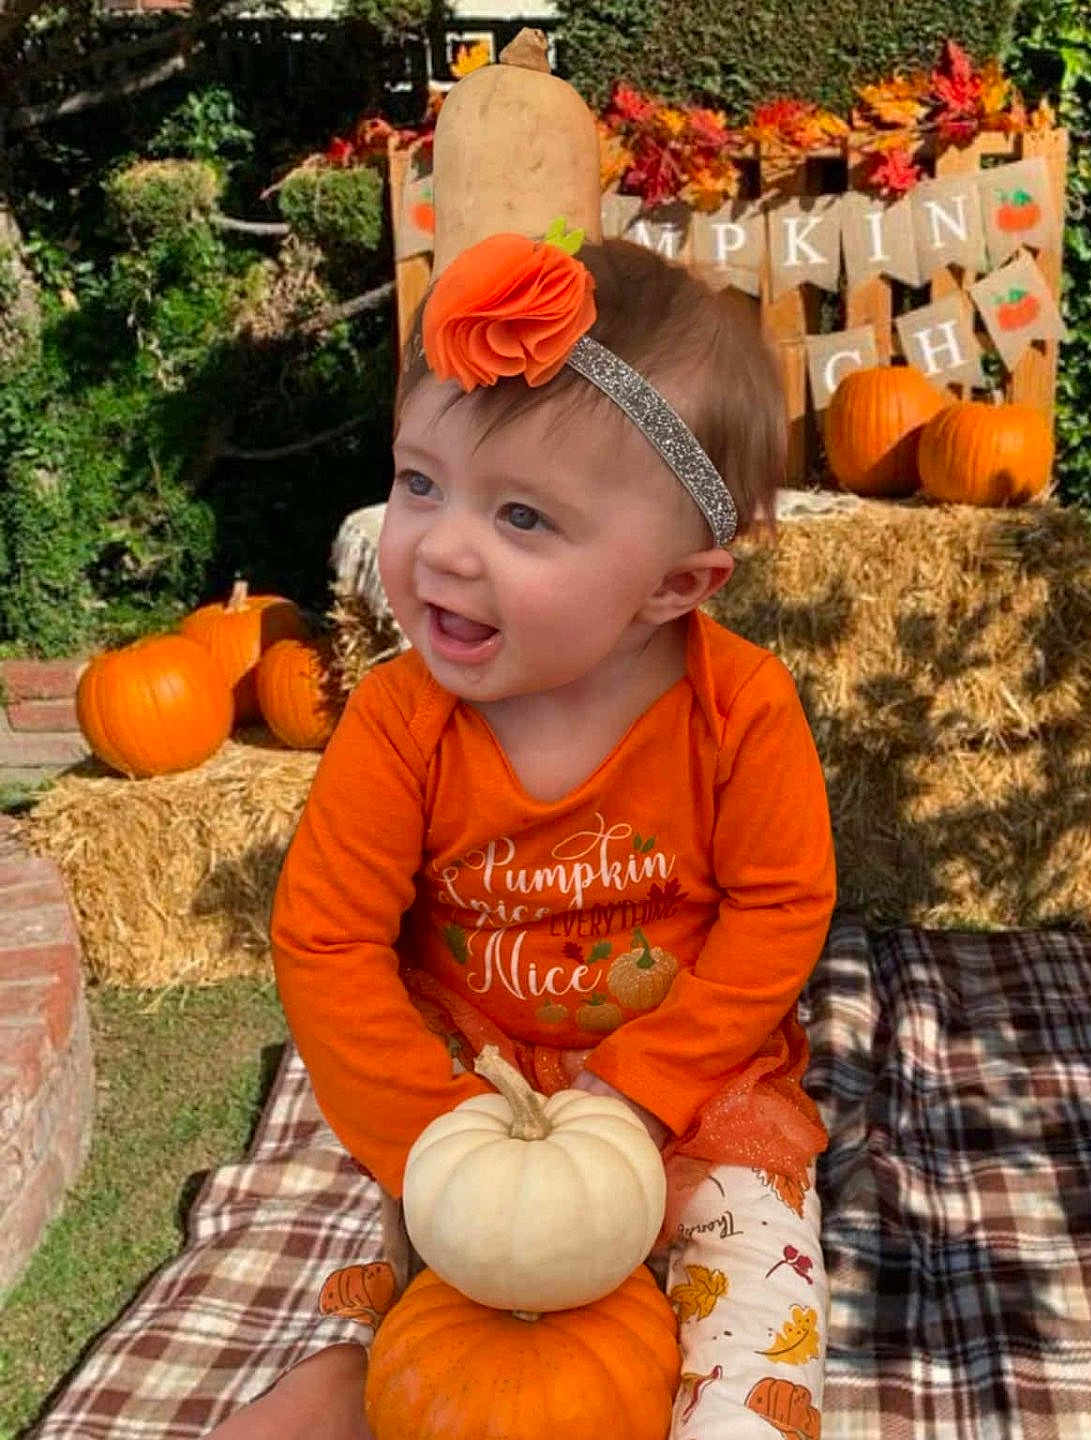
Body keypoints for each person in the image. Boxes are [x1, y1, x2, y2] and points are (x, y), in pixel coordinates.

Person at [206, 232, 836, 1440]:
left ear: (676, 587)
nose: (442, 546)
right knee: (421, 1351)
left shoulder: (737, 711)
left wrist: (646, 1093)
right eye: (419, 482)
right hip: (469, 1107)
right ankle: (338, 1386)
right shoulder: (400, 722)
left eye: (524, 518)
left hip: (691, 1109)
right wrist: (431, 1137)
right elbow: (327, 938)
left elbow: (779, 914)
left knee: (756, 1342)